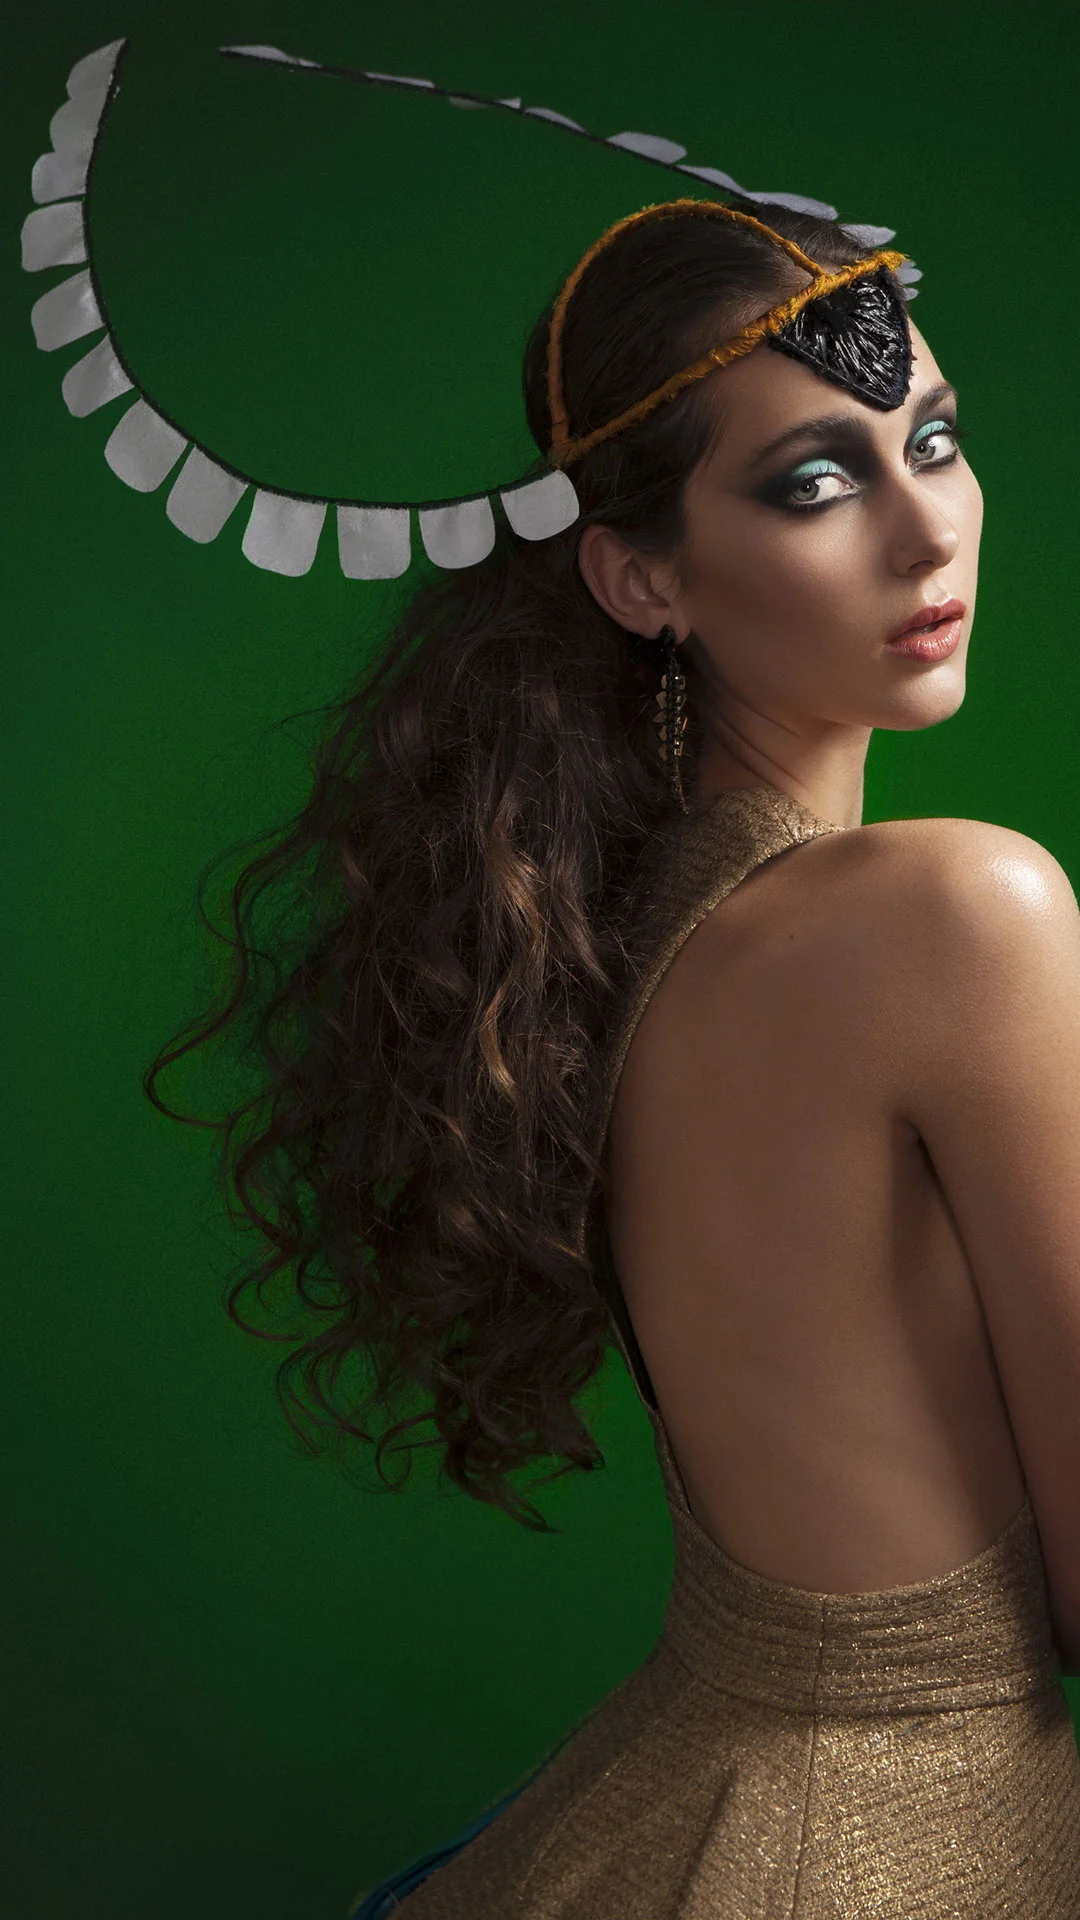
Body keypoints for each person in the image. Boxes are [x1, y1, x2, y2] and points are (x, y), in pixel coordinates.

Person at [146, 198, 1080, 1914]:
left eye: (935, 443)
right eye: (816, 481)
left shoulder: (629, 944)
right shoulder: (963, 913)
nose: (925, 529)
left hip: (664, 1807)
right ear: (642, 577)